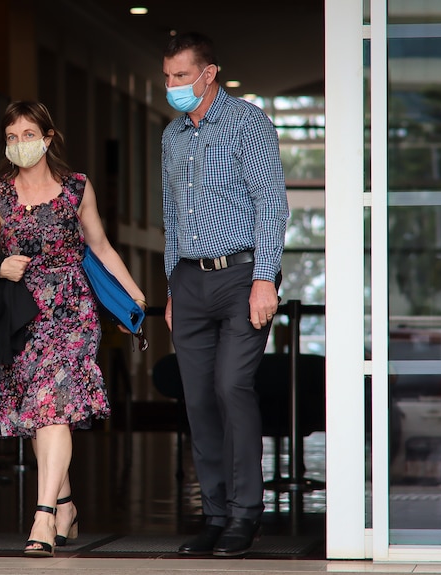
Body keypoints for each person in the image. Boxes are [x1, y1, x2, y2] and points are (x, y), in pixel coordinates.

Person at [0, 101, 146, 558]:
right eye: (11, 137)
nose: (19, 144)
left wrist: (133, 297)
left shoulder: (77, 188)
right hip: (21, 310)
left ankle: (44, 516)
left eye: (28, 134)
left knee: (53, 405)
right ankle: (67, 504)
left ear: (48, 138)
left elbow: (101, 245)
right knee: (40, 411)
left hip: (72, 308)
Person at [160, 32, 289, 557]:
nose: (172, 86)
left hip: (241, 277)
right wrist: (171, 286)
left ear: (208, 73)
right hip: (189, 280)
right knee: (198, 398)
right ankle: (214, 514)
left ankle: (245, 514)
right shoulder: (172, 136)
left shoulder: (248, 122)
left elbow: (271, 203)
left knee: (232, 387)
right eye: (167, 77)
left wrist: (266, 277)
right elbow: (170, 217)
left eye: (181, 76)